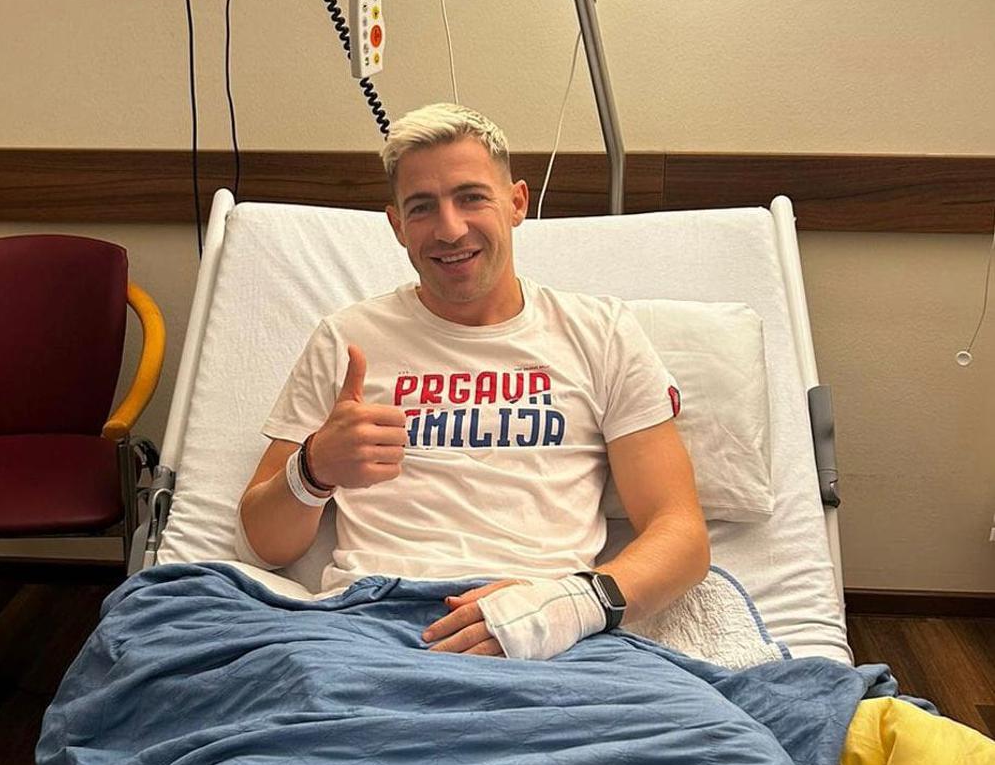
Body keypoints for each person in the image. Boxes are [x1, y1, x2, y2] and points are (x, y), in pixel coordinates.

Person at [236, 102, 709, 661]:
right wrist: (314, 469)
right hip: (374, 624)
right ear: (397, 225)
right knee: (172, 614)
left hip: (550, 627)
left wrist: (568, 606)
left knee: (726, 720)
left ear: (516, 203)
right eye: (422, 207)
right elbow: (263, 544)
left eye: (471, 198)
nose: (450, 229)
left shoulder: (600, 334)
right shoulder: (348, 339)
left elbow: (680, 533)